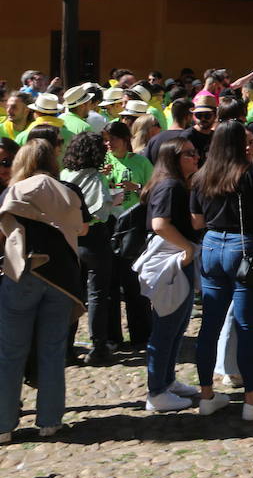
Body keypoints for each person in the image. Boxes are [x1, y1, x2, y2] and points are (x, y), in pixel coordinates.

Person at [190, 121, 253, 421]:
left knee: (209, 325)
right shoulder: (249, 174)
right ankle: (252, 400)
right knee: (246, 326)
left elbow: (196, 221)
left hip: (210, 246)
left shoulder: (201, 176)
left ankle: (207, 395)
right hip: (243, 247)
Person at [0, 140, 87, 442]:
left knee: (10, 352)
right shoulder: (67, 191)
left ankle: (3, 425)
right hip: (62, 277)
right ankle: (49, 421)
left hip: (23, 272)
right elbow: (82, 228)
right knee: (52, 351)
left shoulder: (15, 190)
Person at [141, 137, 203, 412]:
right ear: (174, 158)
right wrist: (187, 247)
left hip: (177, 259)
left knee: (177, 325)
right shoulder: (170, 186)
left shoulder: (177, 185)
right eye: (189, 153)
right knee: (166, 327)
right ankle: (157, 391)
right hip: (172, 261)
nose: (196, 157)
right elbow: (159, 224)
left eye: (195, 152)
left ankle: (167, 381)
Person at [60, 132, 116, 365]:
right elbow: (101, 212)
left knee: (73, 296)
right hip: (94, 240)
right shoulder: (95, 179)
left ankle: (66, 348)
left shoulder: (64, 175)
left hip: (69, 240)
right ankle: (98, 346)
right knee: (97, 296)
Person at [102, 121, 153, 351]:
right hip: (110, 224)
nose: (109, 144)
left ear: (124, 139)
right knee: (111, 284)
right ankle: (113, 336)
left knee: (133, 282)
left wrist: (137, 186)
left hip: (133, 226)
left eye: (112, 139)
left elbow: (154, 192)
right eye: (106, 140)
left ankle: (141, 334)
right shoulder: (104, 162)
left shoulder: (140, 161)